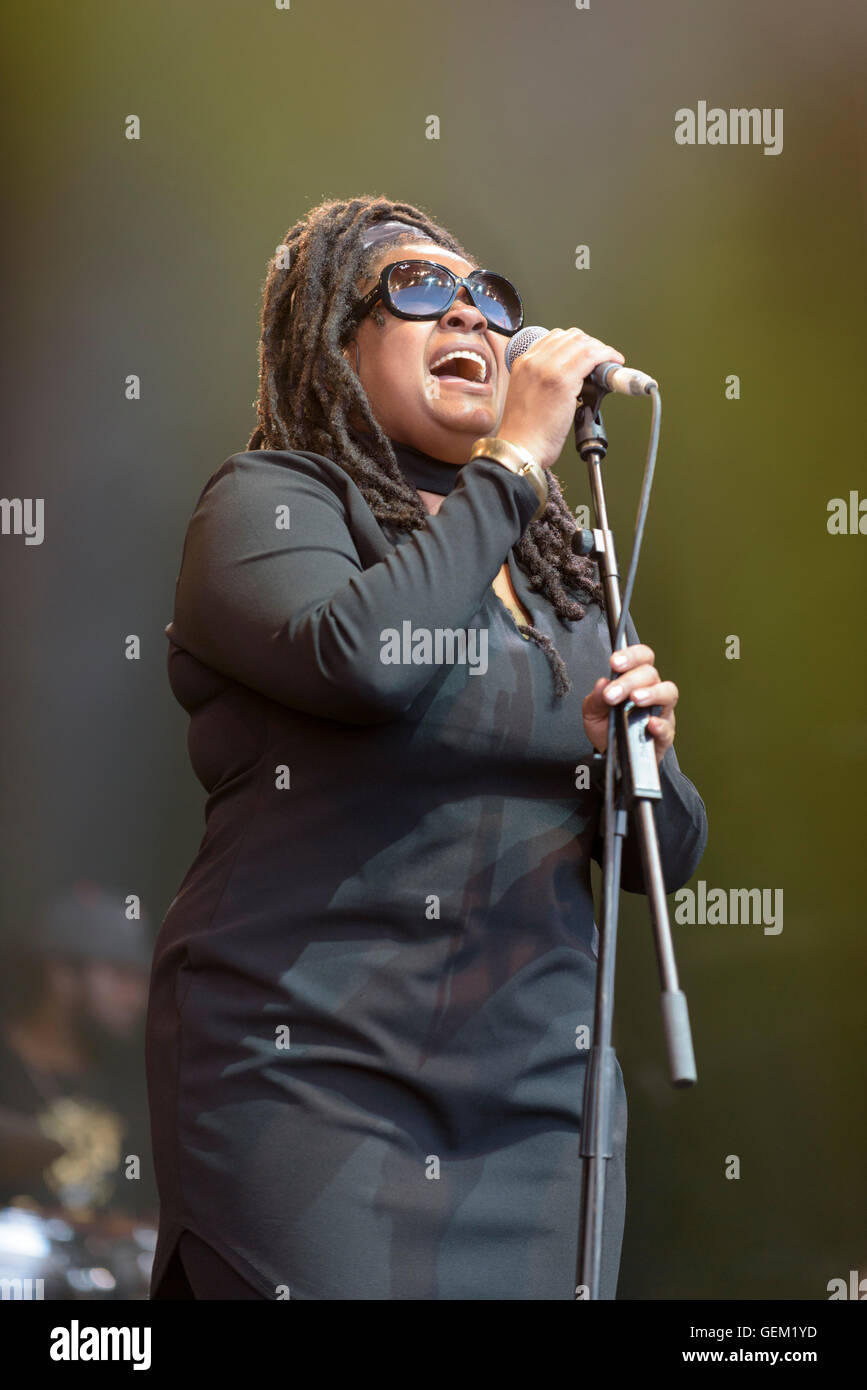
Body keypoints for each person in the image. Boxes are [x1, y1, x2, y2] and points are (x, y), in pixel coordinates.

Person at [145, 195, 708, 1301]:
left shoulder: (562, 569)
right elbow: (359, 662)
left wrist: (632, 759)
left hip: (539, 1104)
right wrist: (512, 465)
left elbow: (668, 857)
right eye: (416, 290)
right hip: (309, 1076)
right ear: (334, 344)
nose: (470, 312)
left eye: (489, 298)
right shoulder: (269, 503)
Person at [0, 881, 158, 1219]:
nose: (139, 998)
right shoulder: (8, 1066)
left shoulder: (132, 1081)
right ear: (62, 973)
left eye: (142, 979)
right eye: (121, 976)